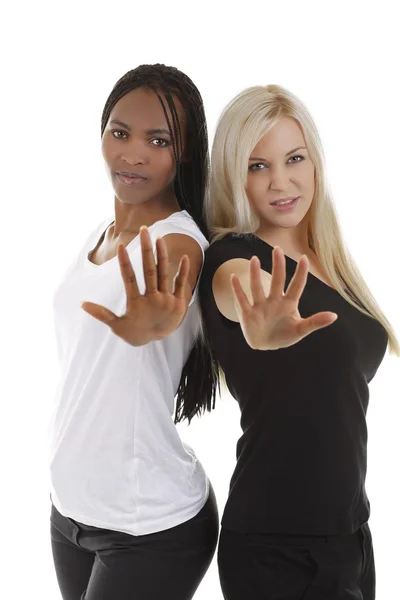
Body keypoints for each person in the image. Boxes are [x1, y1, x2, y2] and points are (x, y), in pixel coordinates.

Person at [199, 84, 399, 600]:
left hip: (349, 534)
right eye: (256, 166)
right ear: (231, 175)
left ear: (315, 163)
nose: (281, 182)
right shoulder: (233, 255)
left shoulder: (329, 258)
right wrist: (256, 319)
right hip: (277, 548)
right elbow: (233, 288)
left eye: (294, 159)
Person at [48, 64, 219, 600]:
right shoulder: (102, 235)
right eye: (120, 132)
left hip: (149, 525)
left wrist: (154, 326)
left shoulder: (177, 244)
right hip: (69, 513)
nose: (134, 152)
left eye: (159, 139)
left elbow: (176, 278)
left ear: (185, 153)